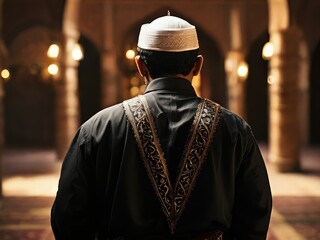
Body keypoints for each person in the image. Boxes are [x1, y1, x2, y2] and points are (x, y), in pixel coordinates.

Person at [51, 14, 272, 240]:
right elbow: (255, 215)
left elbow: (68, 217)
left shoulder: (98, 129)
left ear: (140, 65)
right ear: (197, 65)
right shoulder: (234, 129)